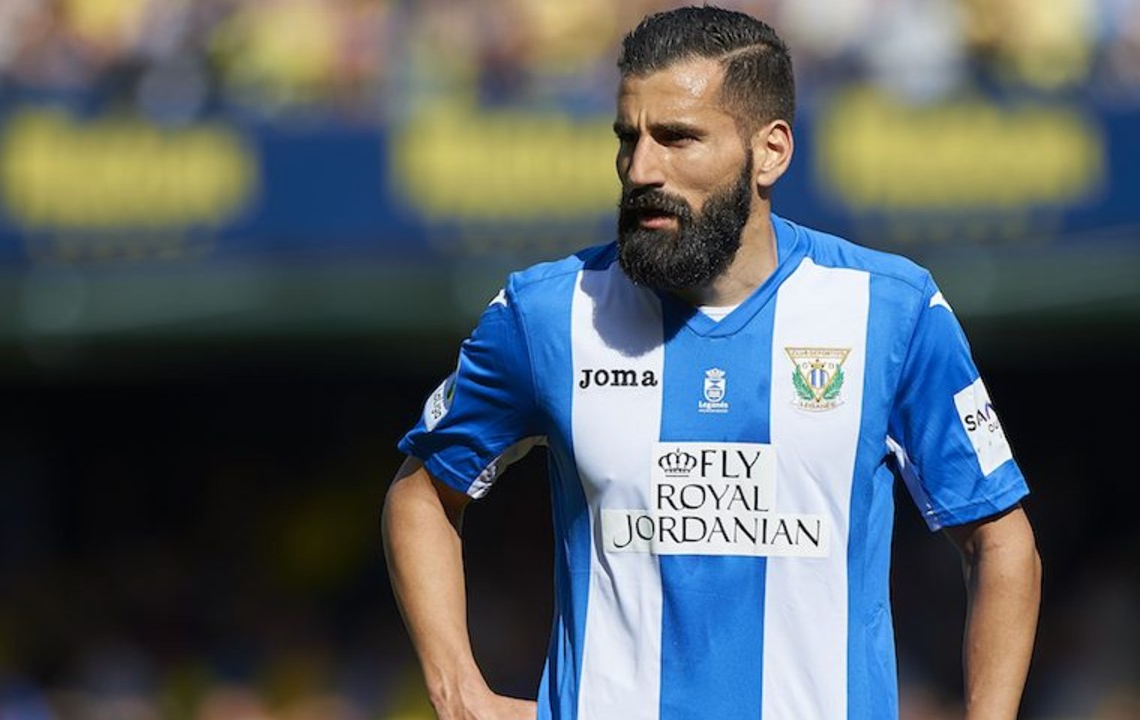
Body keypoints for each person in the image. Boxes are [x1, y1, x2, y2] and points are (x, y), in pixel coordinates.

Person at [382, 6, 1041, 719]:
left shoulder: (891, 310)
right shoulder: (548, 313)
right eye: (628, 138)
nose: (641, 169)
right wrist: (458, 690)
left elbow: (1001, 543)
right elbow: (421, 495)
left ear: (771, 152)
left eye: (677, 138)